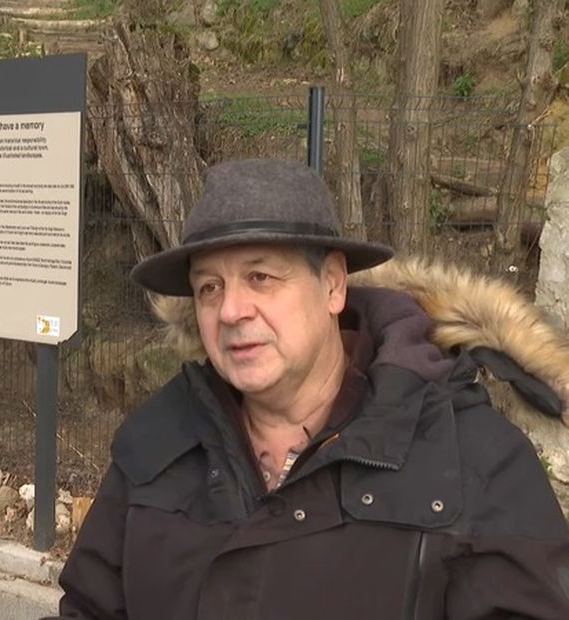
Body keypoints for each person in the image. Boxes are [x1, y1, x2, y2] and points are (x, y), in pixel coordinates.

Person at [52, 159, 569, 619]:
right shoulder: (155, 447)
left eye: (261, 277)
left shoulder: (473, 460)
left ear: (332, 286)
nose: (231, 311)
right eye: (210, 287)